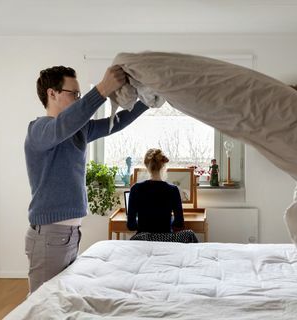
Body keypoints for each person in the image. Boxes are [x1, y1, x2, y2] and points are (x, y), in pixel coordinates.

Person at [24, 65, 150, 293]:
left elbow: (117, 122)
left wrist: (147, 101)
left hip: (69, 234)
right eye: (74, 93)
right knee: (41, 305)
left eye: (80, 94)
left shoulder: (80, 130)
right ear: (52, 93)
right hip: (49, 236)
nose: (78, 98)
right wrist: (102, 89)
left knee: (61, 300)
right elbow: (63, 125)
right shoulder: (39, 129)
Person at [127, 148, 198, 243]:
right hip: (166, 239)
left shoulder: (135, 188)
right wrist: (168, 220)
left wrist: (142, 222)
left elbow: (131, 226)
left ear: (146, 165)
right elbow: (179, 223)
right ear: (163, 165)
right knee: (190, 235)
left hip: (143, 239)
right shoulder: (173, 190)